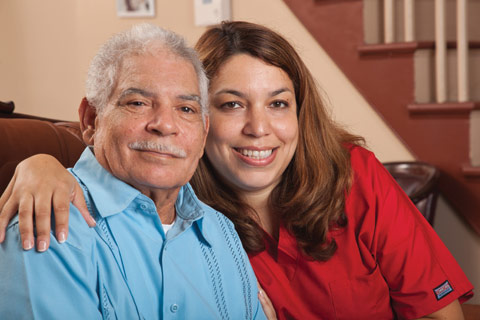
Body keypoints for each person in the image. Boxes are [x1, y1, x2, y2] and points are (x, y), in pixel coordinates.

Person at [0, 21, 473, 319]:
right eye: (231, 104)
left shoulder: (351, 176)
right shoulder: (187, 216)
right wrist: (40, 165)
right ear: (206, 124)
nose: (258, 129)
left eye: (278, 104)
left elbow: (436, 308)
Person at [0, 23, 267, 319]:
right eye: (138, 103)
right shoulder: (48, 220)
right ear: (91, 120)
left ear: (204, 134)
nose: (165, 125)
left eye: (186, 109)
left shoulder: (222, 232)